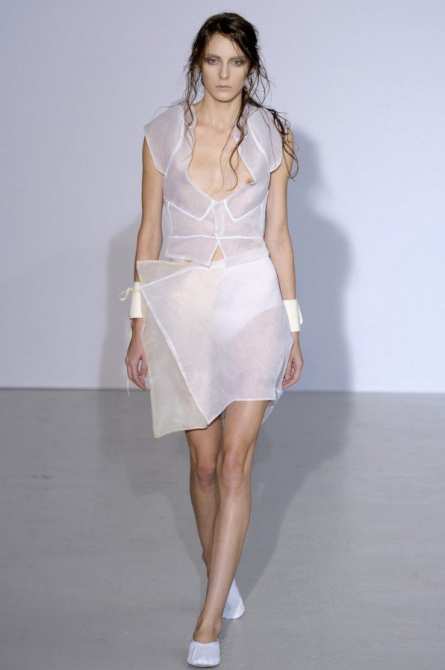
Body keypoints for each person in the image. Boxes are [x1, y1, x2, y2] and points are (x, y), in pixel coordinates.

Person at [120, 12, 304, 668]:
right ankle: (218, 575)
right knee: (201, 466)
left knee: (233, 464)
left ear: (252, 67)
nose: (224, 74)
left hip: (254, 304)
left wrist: (292, 325)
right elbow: (149, 232)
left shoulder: (272, 136)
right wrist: (138, 325)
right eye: (213, 60)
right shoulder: (161, 134)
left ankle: (208, 619)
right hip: (184, 310)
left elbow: (278, 235)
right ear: (197, 64)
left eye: (236, 61)